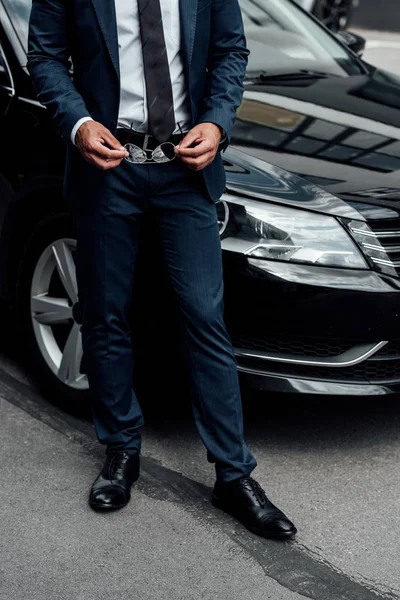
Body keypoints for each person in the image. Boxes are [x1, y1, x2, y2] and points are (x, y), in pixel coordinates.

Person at [27, 0, 297, 540]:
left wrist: (217, 124)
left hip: (185, 171)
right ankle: (121, 451)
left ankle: (233, 475)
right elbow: (47, 58)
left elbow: (229, 53)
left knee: (204, 315)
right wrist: (78, 123)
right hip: (108, 168)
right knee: (104, 313)